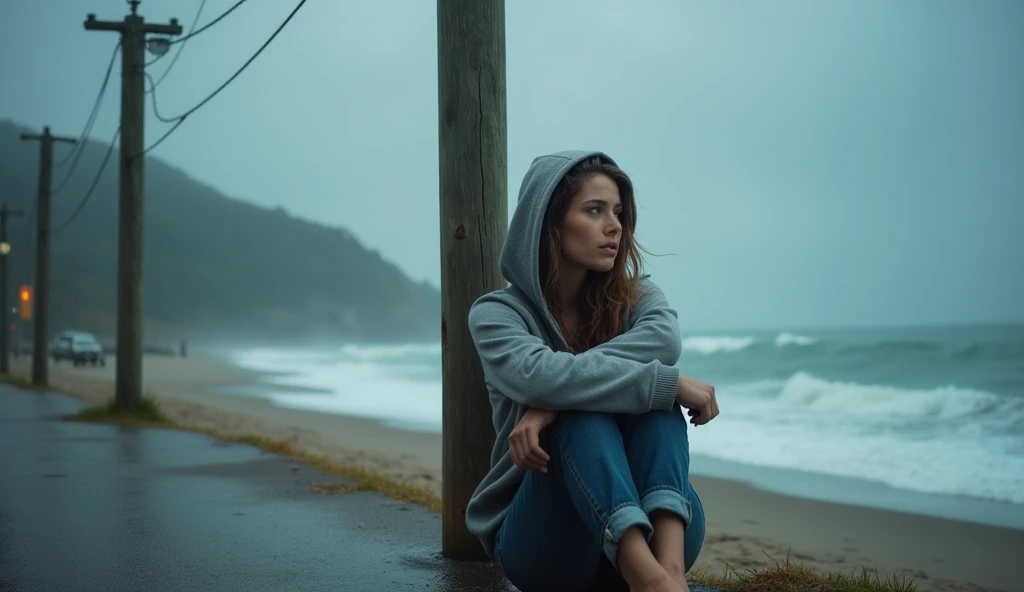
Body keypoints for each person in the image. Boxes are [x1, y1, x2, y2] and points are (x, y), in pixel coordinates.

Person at [465, 150, 720, 592]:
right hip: (549, 547)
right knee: (599, 407)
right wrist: (667, 382)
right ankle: (649, 579)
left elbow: (665, 341)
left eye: (619, 212)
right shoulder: (496, 315)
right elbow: (542, 377)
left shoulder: (635, 295)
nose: (615, 226)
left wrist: (544, 408)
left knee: (655, 408)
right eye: (595, 210)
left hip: (662, 529)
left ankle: (670, 573)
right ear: (549, 221)